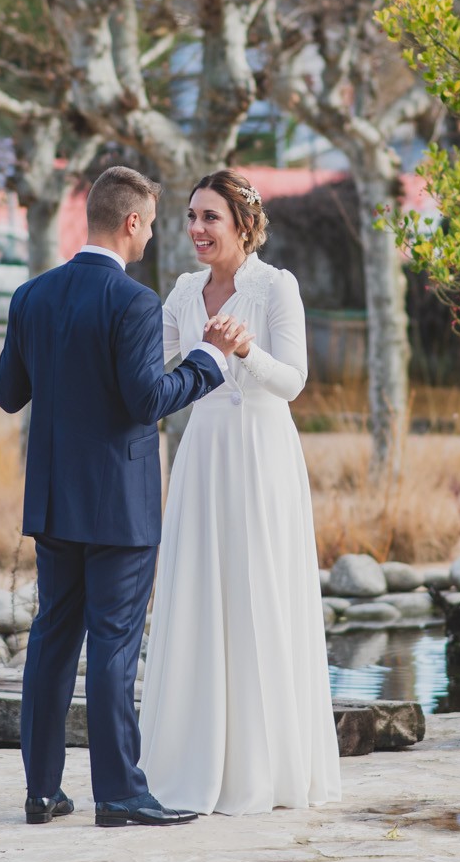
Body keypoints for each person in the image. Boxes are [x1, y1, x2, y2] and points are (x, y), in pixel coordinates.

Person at [0, 165, 248, 828]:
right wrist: (207, 364)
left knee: (52, 640)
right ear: (132, 222)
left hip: (54, 498)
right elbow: (146, 402)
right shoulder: (135, 303)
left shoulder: (32, 296)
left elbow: (7, 393)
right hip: (119, 507)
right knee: (112, 645)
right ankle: (120, 794)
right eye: (156, 221)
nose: (158, 233)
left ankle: (42, 791)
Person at [138, 168, 342, 814]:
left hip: (260, 452)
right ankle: (193, 761)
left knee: (259, 591)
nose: (196, 228)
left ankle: (265, 767)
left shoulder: (274, 286)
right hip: (203, 450)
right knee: (200, 590)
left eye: (209, 217)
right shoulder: (182, 289)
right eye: (192, 216)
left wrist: (247, 349)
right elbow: (158, 366)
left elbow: (294, 381)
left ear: (242, 224)